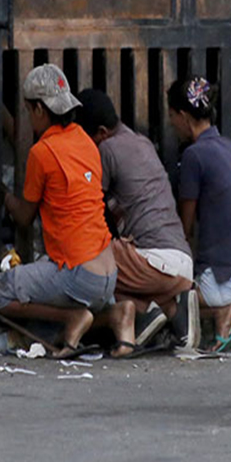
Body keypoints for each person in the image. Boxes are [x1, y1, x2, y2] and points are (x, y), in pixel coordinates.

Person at [0, 64, 136, 358]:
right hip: (109, 271)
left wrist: (3, 196)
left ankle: (72, 318)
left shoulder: (41, 153)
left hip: (80, 275)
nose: (29, 118)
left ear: (39, 109)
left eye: (28, 111)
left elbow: (25, 218)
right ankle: (117, 315)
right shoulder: (87, 142)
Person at [76, 89, 199, 349]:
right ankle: (168, 312)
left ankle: (141, 316)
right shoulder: (141, 142)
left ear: (100, 132)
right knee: (117, 266)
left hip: (153, 261)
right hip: (181, 263)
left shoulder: (107, 149)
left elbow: (86, 207)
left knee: (88, 259)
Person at [168, 76, 231, 352]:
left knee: (165, 301)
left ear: (184, 116)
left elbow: (185, 230)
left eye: (172, 116)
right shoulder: (229, 148)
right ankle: (224, 319)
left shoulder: (195, 156)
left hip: (219, 285)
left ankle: (221, 313)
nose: (171, 123)